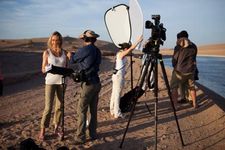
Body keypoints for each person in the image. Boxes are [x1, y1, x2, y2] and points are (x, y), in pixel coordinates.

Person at [71, 30, 101, 144]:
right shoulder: (97, 50)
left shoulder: (86, 49)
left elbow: (74, 60)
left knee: (81, 110)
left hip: (88, 84)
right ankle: (93, 134)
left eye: (84, 39)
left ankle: (80, 137)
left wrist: (71, 55)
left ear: (86, 39)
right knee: (93, 110)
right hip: (96, 82)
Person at [39, 31, 71, 140]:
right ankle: (43, 130)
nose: (55, 42)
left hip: (62, 82)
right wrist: (48, 68)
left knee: (60, 106)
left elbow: (67, 67)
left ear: (60, 40)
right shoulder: (47, 52)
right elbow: (43, 69)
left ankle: (56, 128)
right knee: (48, 107)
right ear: (50, 40)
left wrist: (70, 57)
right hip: (50, 82)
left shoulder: (65, 52)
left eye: (57, 40)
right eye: (53, 40)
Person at [110, 36, 143, 119]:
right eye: (127, 49)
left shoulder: (120, 53)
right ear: (125, 49)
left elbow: (131, 52)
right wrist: (138, 41)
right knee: (117, 94)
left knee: (114, 94)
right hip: (118, 76)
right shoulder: (121, 54)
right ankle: (117, 112)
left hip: (116, 75)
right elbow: (131, 49)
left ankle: (112, 110)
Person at [170, 30, 198, 109]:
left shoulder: (178, 47)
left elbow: (174, 60)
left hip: (179, 71)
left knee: (174, 87)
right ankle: (195, 104)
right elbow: (194, 59)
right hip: (190, 71)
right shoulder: (194, 46)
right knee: (192, 87)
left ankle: (175, 105)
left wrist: (174, 66)